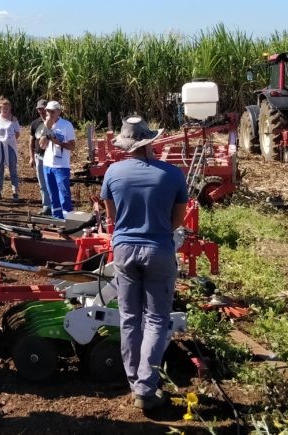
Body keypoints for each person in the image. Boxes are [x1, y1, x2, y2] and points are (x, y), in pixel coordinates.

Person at [99, 116, 187, 410]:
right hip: (159, 250)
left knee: (129, 317)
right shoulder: (172, 175)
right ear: (150, 143)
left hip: (124, 250)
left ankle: (134, 380)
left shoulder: (113, 172)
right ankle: (146, 388)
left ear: (126, 145)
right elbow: (178, 220)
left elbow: (112, 217)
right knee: (156, 319)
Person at [38, 101, 77, 219]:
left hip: (61, 165)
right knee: (52, 194)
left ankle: (68, 220)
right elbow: (42, 145)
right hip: (47, 164)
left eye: (52, 111)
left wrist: (59, 142)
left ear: (58, 112)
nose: (49, 114)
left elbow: (72, 146)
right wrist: (47, 129)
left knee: (64, 195)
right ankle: (57, 218)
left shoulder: (66, 125)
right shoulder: (45, 125)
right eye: (48, 111)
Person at [0, 98, 22, 201]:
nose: (5, 110)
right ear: (0, 108)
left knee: (12, 168)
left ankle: (15, 191)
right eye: (2, 108)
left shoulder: (13, 119)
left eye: (7, 108)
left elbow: (17, 133)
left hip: (10, 146)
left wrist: (10, 140)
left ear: (10, 108)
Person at [29, 99, 53, 214]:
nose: (41, 111)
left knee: (52, 182)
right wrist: (31, 157)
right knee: (42, 183)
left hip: (52, 157)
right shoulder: (35, 123)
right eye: (39, 109)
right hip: (39, 156)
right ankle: (46, 206)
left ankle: (55, 206)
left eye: (43, 108)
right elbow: (31, 141)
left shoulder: (54, 122)